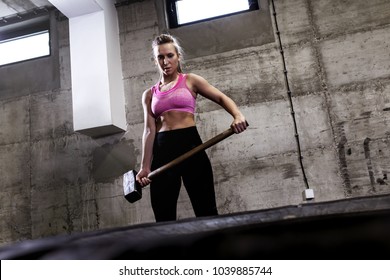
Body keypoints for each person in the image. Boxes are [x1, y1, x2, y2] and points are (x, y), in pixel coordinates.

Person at [136, 34, 248, 222]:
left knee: (206, 210)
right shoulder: (149, 94)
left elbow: (221, 98)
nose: (165, 61)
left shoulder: (191, 80)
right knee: (163, 216)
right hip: (162, 153)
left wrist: (237, 115)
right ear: (155, 61)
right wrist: (145, 167)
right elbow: (149, 131)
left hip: (191, 147)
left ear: (178, 56)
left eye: (169, 55)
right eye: (160, 57)